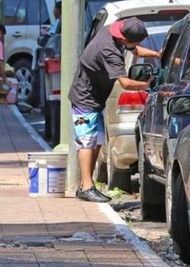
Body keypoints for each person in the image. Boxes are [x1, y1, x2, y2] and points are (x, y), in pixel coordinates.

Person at [69, 17, 162, 203]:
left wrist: (158, 55)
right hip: (84, 98)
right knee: (87, 141)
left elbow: (134, 49)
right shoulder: (109, 50)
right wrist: (146, 84)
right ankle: (87, 187)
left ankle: (85, 185)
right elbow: (126, 83)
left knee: (96, 141)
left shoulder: (111, 31)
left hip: (95, 99)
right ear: (124, 39)